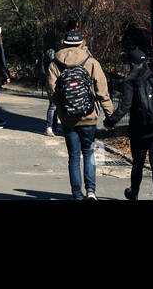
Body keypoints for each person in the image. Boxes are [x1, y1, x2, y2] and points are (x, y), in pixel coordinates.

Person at [46, 29, 114, 200]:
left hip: (68, 119)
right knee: (89, 153)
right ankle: (91, 191)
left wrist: (63, 105)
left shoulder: (55, 64)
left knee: (74, 158)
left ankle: (77, 194)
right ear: (82, 43)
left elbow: (52, 93)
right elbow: (102, 92)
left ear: (64, 44)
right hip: (89, 116)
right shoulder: (91, 62)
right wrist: (110, 115)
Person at [105, 45, 153, 200]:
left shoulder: (131, 81)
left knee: (138, 164)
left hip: (140, 131)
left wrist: (110, 121)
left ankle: (134, 194)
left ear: (131, 64)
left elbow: (125, 106)